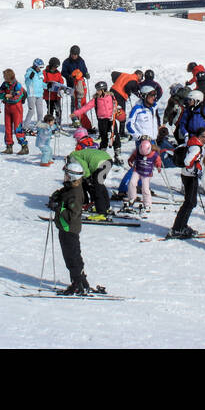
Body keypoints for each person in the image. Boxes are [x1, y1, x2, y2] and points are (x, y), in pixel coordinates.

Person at [48, 160, 100, 296]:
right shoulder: (71, 188)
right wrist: (58, 195)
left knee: (71, 257)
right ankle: (82, 281)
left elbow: (72, 214)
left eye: (66, 175)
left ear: (72, 177)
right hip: (66, 228)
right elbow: (64, 193)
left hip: (69, 229)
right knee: (74, 255)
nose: (64, 178)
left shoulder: (76, 193)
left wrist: (57, 207)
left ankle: (77, 284)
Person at [168, 127, 205, 239]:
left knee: (190, 202)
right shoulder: (196, 148)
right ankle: (178, 228)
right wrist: (195, 169)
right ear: (200, 137)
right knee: (190, 202)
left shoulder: (193, 144)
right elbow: (188, 161)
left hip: (187, 175)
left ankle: (180, 226)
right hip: (190, 176)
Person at [68, 139, 113, 220]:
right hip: (107, 160)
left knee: (97, 188)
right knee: (99, 185)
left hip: (101, 162)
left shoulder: (73, 157)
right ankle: (105, 206)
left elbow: (83, 165)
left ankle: (102, 213)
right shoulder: (79, 153)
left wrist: (88, 177)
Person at [73, 81, 118, 157]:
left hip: (111, 119)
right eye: (97, 90)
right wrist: (77, 113)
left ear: (103, 90)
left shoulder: (111, 97)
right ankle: (102, 151)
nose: (97, 92)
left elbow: (116, 105)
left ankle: (117, 153)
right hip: (102, 120)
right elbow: (86, 107)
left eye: (99, 90)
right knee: (103, 137)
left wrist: (117, 111)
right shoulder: (96, 99)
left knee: (115, 136)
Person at [123, 136, 160, 216]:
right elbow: (133, 156)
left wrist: (158, 166)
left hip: (147, 174)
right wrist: (130, 161)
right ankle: (132, 198)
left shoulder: (154, 154)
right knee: (132, 183)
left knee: (145, 189)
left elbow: (158, 161)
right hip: (137, 170)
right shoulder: (137, 151)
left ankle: (147, 204)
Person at [0, 69, 28, 155]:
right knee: (7, 127)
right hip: (7, 107)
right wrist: (6, 96)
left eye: (5, 76)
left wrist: (7, 97)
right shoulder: (5, 84)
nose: (4, 78)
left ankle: (24, 146)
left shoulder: (17, 85)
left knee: (17, 127)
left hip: (16, 108)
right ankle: (9, 146)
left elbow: (17, 98)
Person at [23, 59, 47, 131]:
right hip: (32, 94)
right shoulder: (29, 72)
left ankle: (39, 125)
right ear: (35, 65)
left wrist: (47, 86)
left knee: (40, 111)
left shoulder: (40, 73)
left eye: (41, 67)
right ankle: (25, 126)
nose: (40, 69)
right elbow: (27, 82)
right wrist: (30, 77)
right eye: (39, 67)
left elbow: (41, 83)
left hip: (39, 94)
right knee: (31, 111)